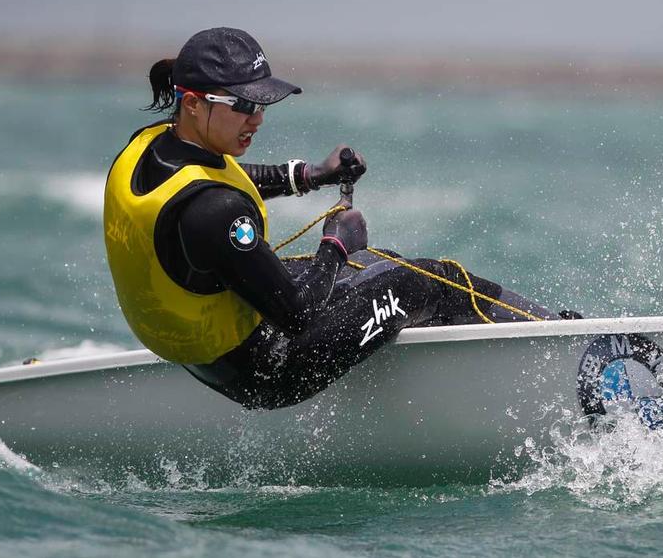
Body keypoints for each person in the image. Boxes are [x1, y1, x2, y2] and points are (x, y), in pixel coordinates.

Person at [103, 27, 563, 410]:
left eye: (262, 104)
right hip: (270, 370)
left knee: (382, 262)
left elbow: (223, 178)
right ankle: (555, 337)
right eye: (242, 105)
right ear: (194, 104)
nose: (257, 119)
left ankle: (464, 353)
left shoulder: (155, 146)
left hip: (206, 356)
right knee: (423, 278)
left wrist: (310, 175)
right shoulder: (215, 213)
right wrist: (336, 244)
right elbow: (299, 316)